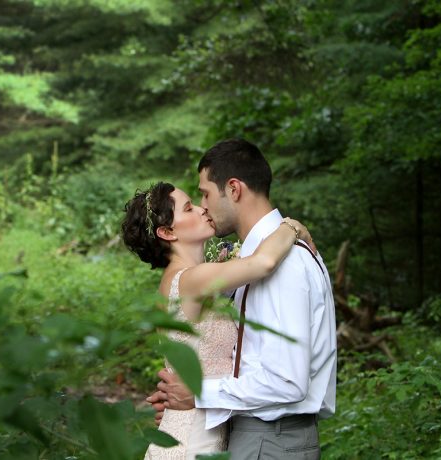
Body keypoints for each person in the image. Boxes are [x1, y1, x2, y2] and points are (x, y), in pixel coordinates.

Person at [147, 139, 337, 460]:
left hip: (271, 438)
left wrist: (197, 396)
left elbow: (287, 382)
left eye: (204, 194)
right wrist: (185, 408)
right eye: (192, 204)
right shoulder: (251, 261)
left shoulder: (284, 263)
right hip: (245, 432)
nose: (203, 206)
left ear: (233, 189)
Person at [121, 181, 313, 459]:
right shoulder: (191, 280)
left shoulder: (190, 279)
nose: (202, 210)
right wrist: (291, 227)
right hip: (190, 441)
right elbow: (263, 263)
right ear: (167, 232)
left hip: (198, 430)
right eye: (189, 208)